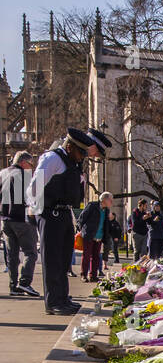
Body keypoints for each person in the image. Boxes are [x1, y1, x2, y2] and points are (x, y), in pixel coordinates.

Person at [27, 127, 95, 314]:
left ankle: (63, 297)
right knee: (53, 259)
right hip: (50, 213)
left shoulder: (72, 163)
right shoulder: (52, 159)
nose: (82, 157)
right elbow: (34, 187)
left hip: (64, 213)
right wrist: (35, 210)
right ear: (70, 147)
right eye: (80, 152)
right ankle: (53, 302)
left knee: (64, 259)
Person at [1, 150, 40, 297]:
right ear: (23, 162)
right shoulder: (25, 175)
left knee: (12, 254)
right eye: (31, 164)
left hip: (5, 220)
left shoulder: (3, 173)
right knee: (31, 253)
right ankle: (25, 283)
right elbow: (33, 198)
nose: (32, 167)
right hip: (21, 219)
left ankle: (13, 285)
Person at [78, 191, 113, 282]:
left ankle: (93, 275)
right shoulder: (92, 206)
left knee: (96, 257)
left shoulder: (106, 211)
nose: (112, 202)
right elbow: (82, 218)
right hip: (89, 235)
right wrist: (81, 230)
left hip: (99, 236)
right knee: (86, 256)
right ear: (104, 199)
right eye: (110, 200)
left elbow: (106, 224)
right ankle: (84, 275)